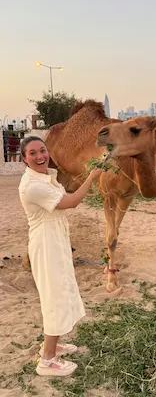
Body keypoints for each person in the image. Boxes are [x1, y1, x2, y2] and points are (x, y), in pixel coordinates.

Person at [18, 136, 102, 377]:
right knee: (54, 297)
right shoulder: (32, 186)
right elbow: (72, 202)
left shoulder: (42, 178)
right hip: (46, 243)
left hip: (55, 238)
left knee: (59, 291)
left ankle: (52, 345)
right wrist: (92, 177)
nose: (39, 156)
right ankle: (47, 360)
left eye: (42, 150)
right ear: (24, 159)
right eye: (32, 153)